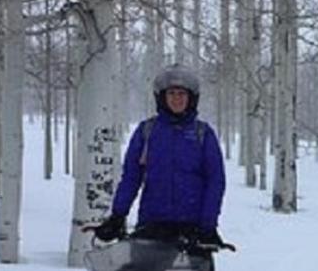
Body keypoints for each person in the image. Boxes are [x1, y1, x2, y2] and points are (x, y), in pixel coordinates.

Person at [94, 65, 227, 245]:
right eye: (171, 94)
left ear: (191, 98)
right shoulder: (147, 131)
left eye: (182, 94)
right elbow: (131, 177)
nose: (176, 99)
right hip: (152, 223)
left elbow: (215, 181)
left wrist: (208, 225)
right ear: (162, 98)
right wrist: (118, 215)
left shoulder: (202, 134)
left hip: (192, 227)